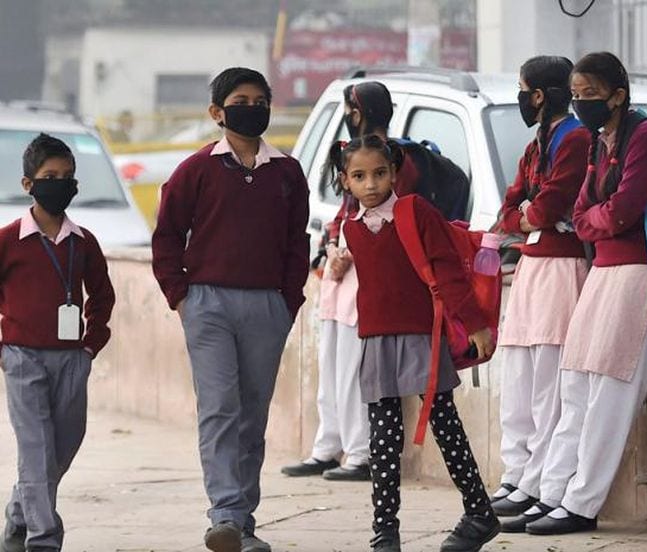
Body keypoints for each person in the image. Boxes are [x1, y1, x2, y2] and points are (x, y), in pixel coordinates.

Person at [520, 52, 647, 535]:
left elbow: (619, 213)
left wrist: (596, 220)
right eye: (575, 95)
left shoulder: (646, 137)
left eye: (590, 95)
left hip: (640, 272)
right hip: (604, 273)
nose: (581, 104)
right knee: (575, 385)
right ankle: (553, 494)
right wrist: (597, 219)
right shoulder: (597, 140)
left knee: (610, 392)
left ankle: (582, 503)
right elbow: (586, 209)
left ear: (618, 95)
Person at [152, 67, 310, 552]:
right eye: (242, 99)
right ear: (217, 112)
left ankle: (243, 523)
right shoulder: (195, 170)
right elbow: (166, 236)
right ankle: (224, 514)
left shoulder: (287, 171)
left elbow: (296, 242)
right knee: (220, 408)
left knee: (252, 416)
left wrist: (288, 301)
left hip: (267, 306)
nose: (254, 106)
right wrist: (181, 297)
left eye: (261, 99)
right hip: (208, 305)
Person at [282, 81, 468, 481]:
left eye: (353, 110)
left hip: (373, 280)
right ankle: (328, 444)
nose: (370, 181)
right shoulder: (356, 158)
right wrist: (333, 248)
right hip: (341, 271)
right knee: (331, 361)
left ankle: (362, 452)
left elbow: (392, 215)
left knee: (355, 369)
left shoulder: (398, 160)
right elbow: (346, 213)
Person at [334, 134, 499, 552]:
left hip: (423, 336)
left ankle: (479, 512)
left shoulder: (414, 211)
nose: (370, 184)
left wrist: (475, 323)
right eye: (359, 176)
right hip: (374, 339)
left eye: (379, 173)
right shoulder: (351, 229)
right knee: (383, 437)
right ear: (345, 181)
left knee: (446, 425)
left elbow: (448, 272)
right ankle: (385, 534)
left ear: (394, 173)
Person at [0, 133, 115, 551]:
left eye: (68, 177)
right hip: (21, 357)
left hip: (71, 358)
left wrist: (90, 346)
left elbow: (102, 296)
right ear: (28, 184)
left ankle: (18, 513)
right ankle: (43, 537)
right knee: (35, 446)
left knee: (63, 445)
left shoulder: (84, 242)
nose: (61, 183)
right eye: (50, 176)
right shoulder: (8, 240)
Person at [490, 56, 591, 529]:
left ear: (541, 95)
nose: (521, 97)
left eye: (524, 89)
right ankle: (517, 474)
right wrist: (527, 212)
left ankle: (540, 482)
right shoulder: (537, 143)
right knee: (519, 378)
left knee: (549, 385)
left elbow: (547, 207)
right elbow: (512, 206)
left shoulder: (574, 139)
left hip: (561, 266)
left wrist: (529, 212)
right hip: (532, 266)